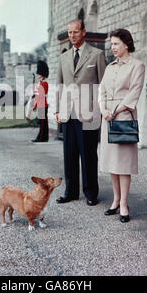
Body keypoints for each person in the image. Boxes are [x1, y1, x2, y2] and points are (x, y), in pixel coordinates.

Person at [55, 19, 106, 206]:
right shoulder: (64, 57)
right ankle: (71, 192)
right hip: (68, 112)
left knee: (88, 154)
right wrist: (56, 110)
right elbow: (59, 86)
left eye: (75, 32)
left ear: (84, 32)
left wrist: (102, 110)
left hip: (89, 113)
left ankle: (91, 193)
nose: (72, 35)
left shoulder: (97, 55)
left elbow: (103, 86)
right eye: (69, 33)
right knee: (69, 154)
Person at [98, 29, 145, 223]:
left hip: (124, 116)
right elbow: (101, 90)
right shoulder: (109, 67)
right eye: (111, 44)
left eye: (116, 44)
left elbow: (134, 92)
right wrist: (103, 110)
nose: (113, 47)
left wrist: (115, 111)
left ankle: (124, 203)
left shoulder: (137, 66)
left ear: (126, 44)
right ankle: (115, 200)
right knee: (112, 163)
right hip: (107, 118)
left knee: (123, 164)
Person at [27, 60, 49, 142]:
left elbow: (41, 95)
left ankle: (41, 138)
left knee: (42, 123)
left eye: (39, 73)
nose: (38, 75)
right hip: (41, 104)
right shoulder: (40, 83)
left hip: (42, 105)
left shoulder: (44, 83)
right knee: (43, 122)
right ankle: (44, 137)